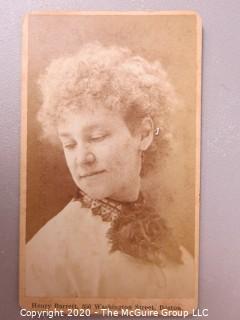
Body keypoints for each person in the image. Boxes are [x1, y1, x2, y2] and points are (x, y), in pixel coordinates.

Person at [26, 42, 194, 298]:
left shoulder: (177, 252)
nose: (82, 158)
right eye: (69, 144)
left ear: (144, 134)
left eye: (97, 136)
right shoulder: (47, 256)